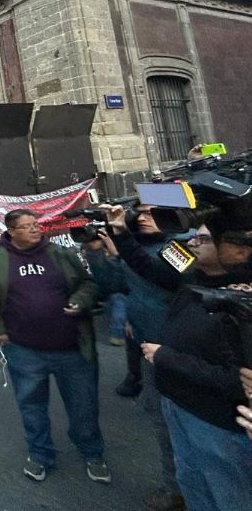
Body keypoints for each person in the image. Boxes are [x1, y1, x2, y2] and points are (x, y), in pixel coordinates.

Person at [103, 205, 252, 510]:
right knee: (192, 480)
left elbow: (234, 378)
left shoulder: (241, 301)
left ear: (238, 250)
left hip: (215, 421)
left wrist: (166, 357)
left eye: (202, 240)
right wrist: (120, 232)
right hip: (174, 397)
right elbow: (150, 269)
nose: (192, 243)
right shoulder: (190, 268)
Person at [0, 209, 109, 484]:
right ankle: (40, 455)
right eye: (26, 227)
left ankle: (92, 453)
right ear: (11, 232)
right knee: (32, 408)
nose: (35, 229)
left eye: (36, 224)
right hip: (24, 351)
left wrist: (80, 301)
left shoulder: (60, 254)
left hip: (72, 349)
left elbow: (88, 284)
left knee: (84, 407)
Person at [83, 205, 182, 508]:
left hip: (181, 351)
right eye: (139, 213)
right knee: (162, 421)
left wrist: (123, 240)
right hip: (148, 350)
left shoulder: (179, 247)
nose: (143, 217)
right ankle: (176, 486)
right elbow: (114, 287)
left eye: (154, 212)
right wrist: (99, 253)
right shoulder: (137, 247)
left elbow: (163, 275)